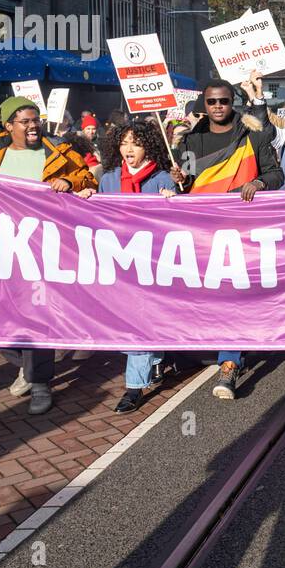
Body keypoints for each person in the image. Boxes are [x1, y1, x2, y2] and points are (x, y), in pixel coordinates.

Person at [0, 96, 96, 414]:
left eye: (36, 119)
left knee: (38, 315)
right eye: (25, 120)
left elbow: (88, 178)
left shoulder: (59, 152)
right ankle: (26, 366)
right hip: (3, 248)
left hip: (44, 249)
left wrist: (68, 180)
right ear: (9, 125)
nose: (33, 125)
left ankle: (40, 384)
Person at [174, 79, 285, 400]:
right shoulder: (191, 141)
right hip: (203, 232)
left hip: (244, 231)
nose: (218, 106)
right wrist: (180, 178)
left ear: (232, 101)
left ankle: (229, 363)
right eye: (212, 102)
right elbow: (187, 182)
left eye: (224, 101)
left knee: (234, 297)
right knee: (207, 297)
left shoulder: (253, 133)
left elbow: (275, 174)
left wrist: (260, 182)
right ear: (204, 105)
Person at [74, 119, 177, 412]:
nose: (129, 149)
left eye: (136, 143)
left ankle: (134, 386)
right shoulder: (109, 178)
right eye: (124, 142)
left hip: (151, 264)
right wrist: (88, 199)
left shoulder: (161, 179)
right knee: (125, 322)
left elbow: (177, 225)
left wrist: (173, 202)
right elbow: (98, 217)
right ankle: (157, 358)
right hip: (118, 263)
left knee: (139, 324)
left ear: (149, 147)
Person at [79, 114, 103, 179]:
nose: (91, 132)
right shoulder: (78, 142)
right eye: (88, 129)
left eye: (93, 129)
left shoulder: (99, 142)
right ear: (83, 129)